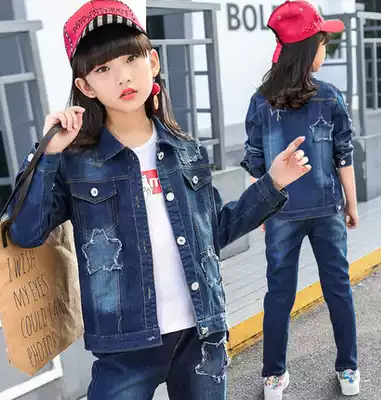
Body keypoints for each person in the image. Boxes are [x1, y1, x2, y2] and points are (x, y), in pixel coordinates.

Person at [7, 1, 311, 399]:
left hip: (201, 336)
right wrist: (47, 155)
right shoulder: (76, 162)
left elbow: (216, 232)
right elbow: (25, 232)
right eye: (103, 69)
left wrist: (272, 183)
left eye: (131, 58)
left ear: (152, 62)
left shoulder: (186, 150)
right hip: (124, 348)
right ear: (85, 87)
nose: (122, 76)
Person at [241, 1, 360, 399]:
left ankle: (273, 377)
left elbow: (255, 163)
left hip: (280, 210)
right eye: (323, 43)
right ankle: (348, 370)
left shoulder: (260, 100)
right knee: (338, 287)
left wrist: (259, 208)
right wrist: (352, 205)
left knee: (279, 293)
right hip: (327, 208)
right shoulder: (329, 96)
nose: (325, 50)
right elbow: (344, 155)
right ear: (309, 49)